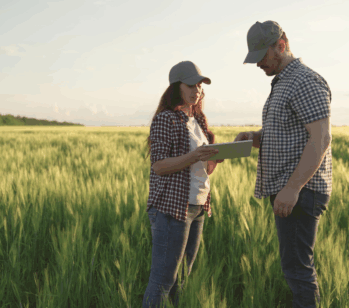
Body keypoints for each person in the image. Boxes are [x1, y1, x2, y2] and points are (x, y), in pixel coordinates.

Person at [235, 21, 332, 308]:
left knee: (297, 270)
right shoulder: (284, 82)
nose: (258, 65)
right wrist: (255, 138)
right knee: (294, 268)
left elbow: (321, 137)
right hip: (291, 191)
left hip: (300, 192)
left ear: (281, 44)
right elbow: (290, 133)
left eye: (261, 57)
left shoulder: (304, 80)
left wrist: (292, 189)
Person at [142, 61, 223, 308]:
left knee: (182, 279)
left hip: (197, 206)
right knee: (163, 281)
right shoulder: (166, 119)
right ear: (176, 87)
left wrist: (215, 159)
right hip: (172, 208)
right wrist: (194, 156)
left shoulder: (198, 120)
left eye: (200, 85)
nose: (197, 90)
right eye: (191, 84)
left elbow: (203, 169)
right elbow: (159, 166)